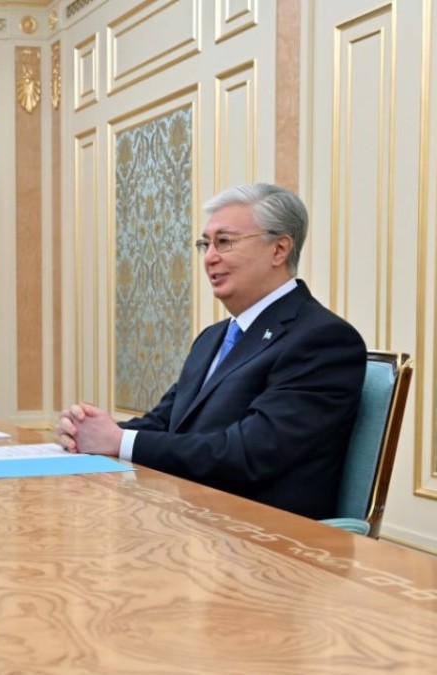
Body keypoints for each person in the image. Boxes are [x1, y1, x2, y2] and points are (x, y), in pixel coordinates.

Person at [58, 183, 365, 520]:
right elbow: (165, 422)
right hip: (189, 516)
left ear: (279, 249)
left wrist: (118, 441)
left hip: (262, 534)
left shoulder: (323, 340)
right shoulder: (212, 337)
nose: (209, 258)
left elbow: (248, 454)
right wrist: (88, 432)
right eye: (205, 244)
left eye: (224, 242)